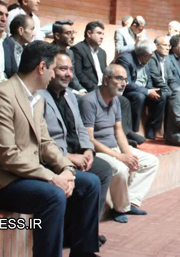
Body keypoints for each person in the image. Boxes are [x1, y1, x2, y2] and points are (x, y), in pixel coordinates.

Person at [0, 41, 102, 257]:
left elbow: (46, 143)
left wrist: (67, 169)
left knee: (91, 183)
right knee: (54, 195)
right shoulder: (0, 96)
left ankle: (83, 253)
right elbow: (8, 156)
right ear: (42, 67)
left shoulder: (36, 98)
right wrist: (52, 177)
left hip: (24, 173)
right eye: (54, 69)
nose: (55, 75)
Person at [38, 52, 113, 245]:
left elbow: (80, 128)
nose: (68, 74)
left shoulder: (71, 95)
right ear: (49, 70)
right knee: (90, 180)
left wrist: (88, 150)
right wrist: (69, 157)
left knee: (104, 170)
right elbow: (41, 140)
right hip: (55, 159)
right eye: (63, 69)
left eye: (71, 70)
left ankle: (86, 230)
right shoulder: (39, 97)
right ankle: (78, 235)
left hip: (78, 153)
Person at [80, 64, 159, 223]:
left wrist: (128, 155)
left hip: (114, 148)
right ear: (106, 79)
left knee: (151, 161)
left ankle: (131, 201)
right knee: (120, 169)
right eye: (119, 79)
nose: (124, 84)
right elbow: (89, 139)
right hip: (97, 151)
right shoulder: (89, 101)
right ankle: (120, 208)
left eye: (125, 80)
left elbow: (118, 131)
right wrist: (120, 157)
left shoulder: (115, 100)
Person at [114, 40, 166, 138]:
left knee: (161, 95)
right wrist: (147, 91)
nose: (151, 57)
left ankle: (151, 127)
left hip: (142, 88)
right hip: (127, 91)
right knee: (139, 97)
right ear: (143, 55)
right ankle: (133, 130)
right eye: (150, 55)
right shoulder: (125, 59)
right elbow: (126, 83)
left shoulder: (146, 59)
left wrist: (151, 89)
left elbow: (148, 79)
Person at [71, 21, 107, 93]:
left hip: (104, 89)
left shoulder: (102, 53)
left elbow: (105, 73)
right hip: (90, 90)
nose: (102, 37)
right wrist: (97, 90)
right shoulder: (78, 49)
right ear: (89, 33)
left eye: (103, 34)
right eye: (99, 33)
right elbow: (79, 74)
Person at [52, 19, 85, 95]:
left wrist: (81, 90)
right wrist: (75, 92)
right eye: (68, 33)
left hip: (68, 89)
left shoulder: (70, 53)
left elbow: (73, 77)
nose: (72, 37)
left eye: (73, 33)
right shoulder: (48, 51)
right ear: (57, 36)